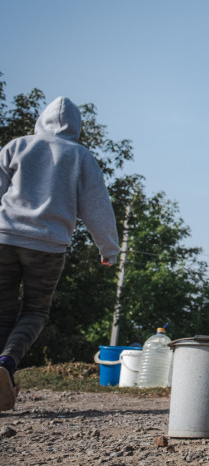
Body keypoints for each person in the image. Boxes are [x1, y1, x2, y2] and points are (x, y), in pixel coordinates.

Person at [0, 96, 120, 411]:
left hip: (4, 238)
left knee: (2, 312)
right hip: (47, 246)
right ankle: (6, 363)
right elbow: (97, 207)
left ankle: (2, 371)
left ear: (41, 120)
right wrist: (108, 249)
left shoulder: (17, 146)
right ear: (76, 128)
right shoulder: (80, 156)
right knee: (34, 313)